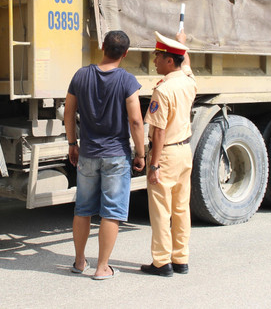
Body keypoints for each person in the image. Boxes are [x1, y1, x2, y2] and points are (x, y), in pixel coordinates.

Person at [65, 30, 146, 280]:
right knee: (111, 211)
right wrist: (141, 153)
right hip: (116, 155)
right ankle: (102, 267)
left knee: (83, 209)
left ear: (102, 47)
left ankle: (80, 262)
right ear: (126, 53)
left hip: (88, 153)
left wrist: (72, 143)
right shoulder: (127, 81)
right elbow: (135, 121)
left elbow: (69, 113)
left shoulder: (81, 75)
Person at [141, 30, 197, 276]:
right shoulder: (188, 81)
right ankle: (181, 258)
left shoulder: (163, 90)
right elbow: (187, 66)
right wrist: (182, 44)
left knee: (161, 210)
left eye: (158, 56)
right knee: (181, 208)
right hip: (185, 151)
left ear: (170, 61)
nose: (154, 61)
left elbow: (159, 132)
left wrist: (153, 166)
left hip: (166, 154)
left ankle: (162, 262)